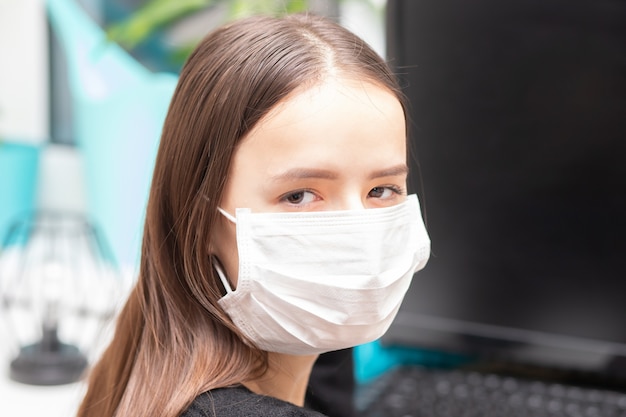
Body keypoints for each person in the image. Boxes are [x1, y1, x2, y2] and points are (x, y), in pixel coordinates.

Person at [77, 13, 430, 417]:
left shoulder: (312, 353)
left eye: (381, 190)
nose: (360, 238)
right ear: (202, 219)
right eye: (299, 195)